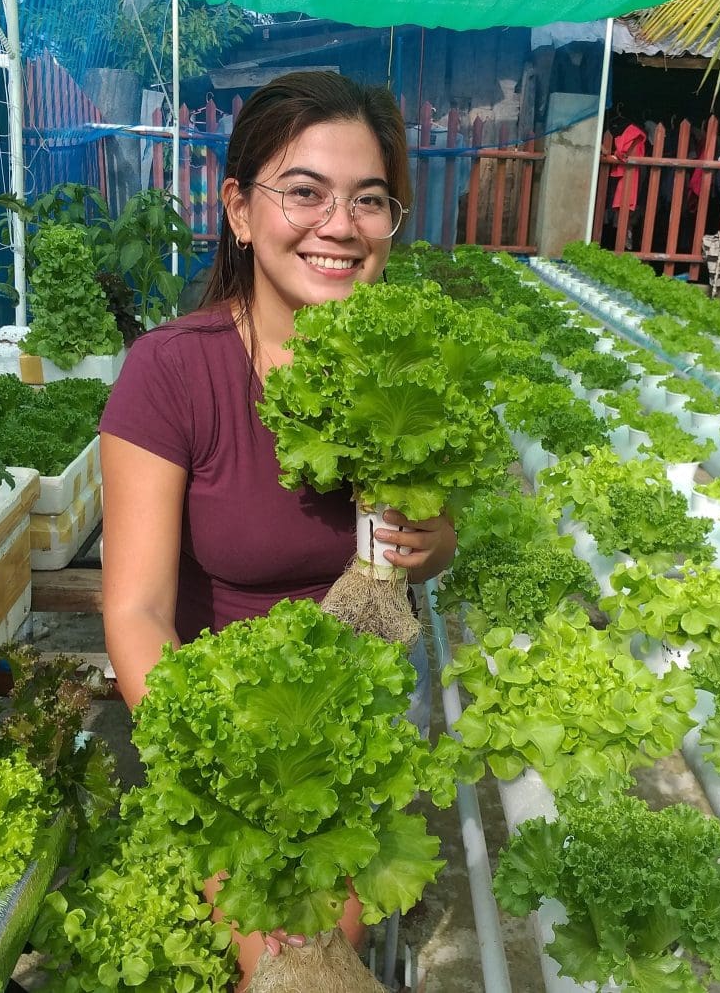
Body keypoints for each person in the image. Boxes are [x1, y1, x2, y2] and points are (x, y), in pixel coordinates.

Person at [99, 70, 457, 988]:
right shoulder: (172, 373)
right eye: (305, 192)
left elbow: (429, 541)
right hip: (221, 745)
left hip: (350, 735)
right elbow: (136, 611)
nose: (339, 224)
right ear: (241, 211)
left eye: (370, 201)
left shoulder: (404, 364)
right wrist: (218, 769)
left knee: (316, 948)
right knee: (295, 952)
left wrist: (434, 542)